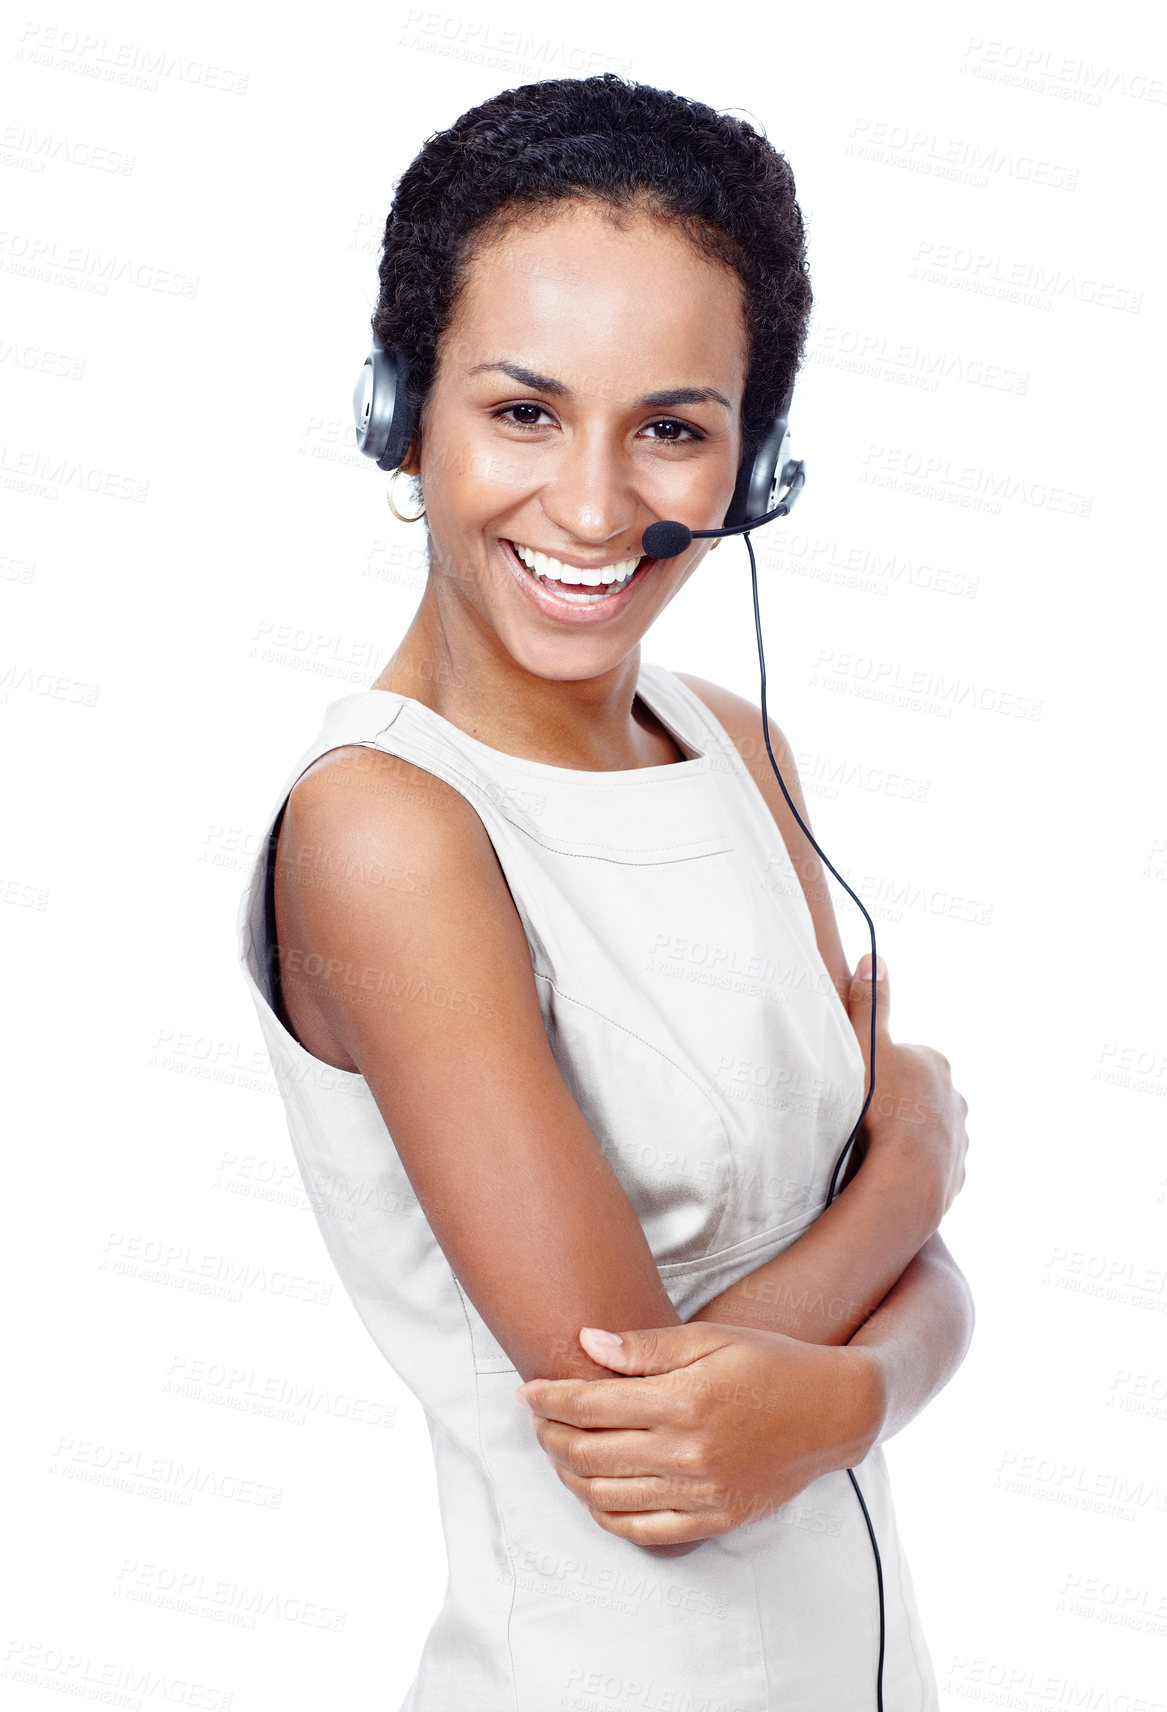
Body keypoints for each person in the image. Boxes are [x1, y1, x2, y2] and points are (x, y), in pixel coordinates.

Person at [237, 73, 972, 1711]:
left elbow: (847, 1332)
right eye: (521, 411)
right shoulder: (387, 830)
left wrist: (864, 1354)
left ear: (752, 462)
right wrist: (921, 1165)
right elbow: (650, 1434)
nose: (591, 506)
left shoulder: (735, 746)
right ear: (399, 411)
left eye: (671, 427)